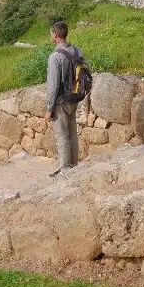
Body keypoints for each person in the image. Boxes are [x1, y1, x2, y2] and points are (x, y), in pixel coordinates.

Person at [46, 20, 83, 176]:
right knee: (73, 132)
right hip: (74, 97)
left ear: (55, 34)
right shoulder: (77, 51)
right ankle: (74, 165)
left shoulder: (55, 57)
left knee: (62, 134)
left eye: (51, 34)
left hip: (61, 101)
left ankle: (64, 169)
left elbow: (53, 86)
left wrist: (49, 109)